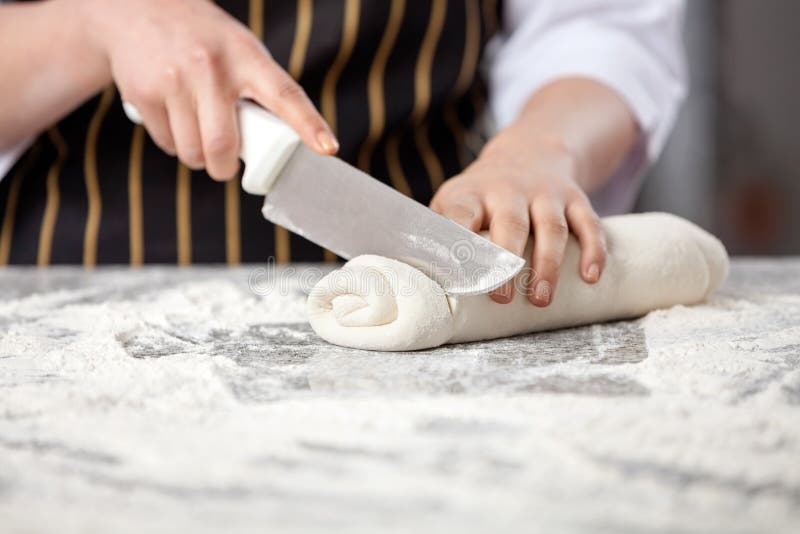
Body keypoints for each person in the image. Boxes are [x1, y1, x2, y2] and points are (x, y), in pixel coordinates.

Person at [0, 0, 686, 307]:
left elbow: (600, 27)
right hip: (71, 302)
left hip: (427, 284)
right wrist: (90, 27)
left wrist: (543, 145)